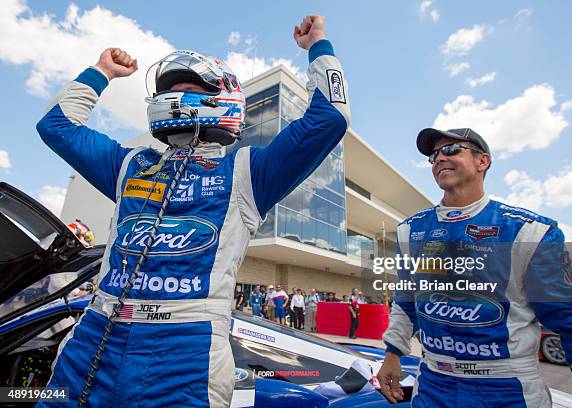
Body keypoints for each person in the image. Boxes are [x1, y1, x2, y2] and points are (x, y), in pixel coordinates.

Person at [37, 15, 350, 407]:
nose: (175, 96)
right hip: (95, 336)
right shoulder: (129, 165)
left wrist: (318, 46)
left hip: (187, 350)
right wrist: (101, 72)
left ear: (222, 98)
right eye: (171, 90)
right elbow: (56, 126)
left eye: (189, 88)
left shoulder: (247, 172)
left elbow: (330, 117)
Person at [378, 128, 572, 407]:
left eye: (451, 149)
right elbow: (407, 300)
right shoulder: (410, 231)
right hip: (433, 385)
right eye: (434, 155)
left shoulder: (529, 232)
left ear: (482, 161)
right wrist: (393, 353)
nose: (439, 158)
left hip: (507, 390)